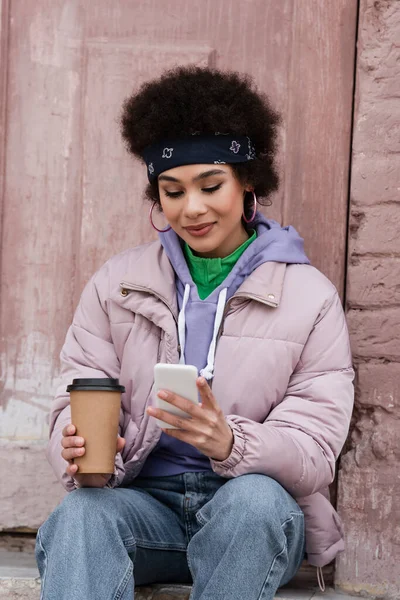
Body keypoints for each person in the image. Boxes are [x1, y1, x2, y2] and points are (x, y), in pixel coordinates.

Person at [36, 66, 354, 600]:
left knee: (252, 502)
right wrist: (73, 443)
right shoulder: (117, 284)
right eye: (173, 191)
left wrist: (230, 442)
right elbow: (77, 396)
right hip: (144, 508)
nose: (193, 208)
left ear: (248, 180)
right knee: (81, 516)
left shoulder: (310, 297)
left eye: (211, 186)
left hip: (253, 512)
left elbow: (316, 451)